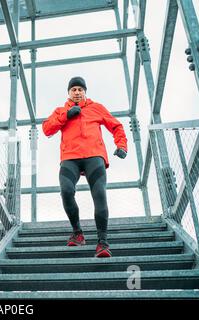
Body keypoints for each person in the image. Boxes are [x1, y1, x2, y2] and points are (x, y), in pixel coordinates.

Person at [42, 76, 128, 258]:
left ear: (85, 92)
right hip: (70, 157)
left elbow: (116, 126)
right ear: (69, 93)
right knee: (66, 191)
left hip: (94, 156)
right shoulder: (60, 110)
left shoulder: (96, 107)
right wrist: (66, 116)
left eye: (80, 89)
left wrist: (121, 145)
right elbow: (47, 129)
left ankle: (102, 242)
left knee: (99, 194)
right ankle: (78, 233)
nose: (77, 92)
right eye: (74, 89)